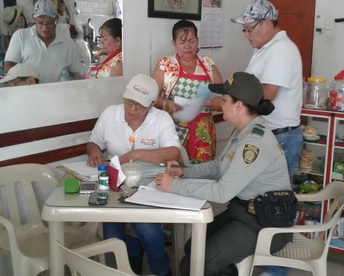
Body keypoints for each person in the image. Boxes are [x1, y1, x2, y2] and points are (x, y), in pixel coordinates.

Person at [155, 72, 292, 276]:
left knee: (193, 265)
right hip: (243, 213)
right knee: (192, 247)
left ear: (238, 106)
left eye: (225, 100)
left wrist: (174, 186)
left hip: (263, 224)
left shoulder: (254, 143)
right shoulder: (242, 131)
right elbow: (219, 167)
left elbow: (222, 192)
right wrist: (185, 171)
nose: (220, 103)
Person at [231, 1, 304, 275]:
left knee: (275, 209)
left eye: (249, 29)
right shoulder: (264, 49)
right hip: (267, 137)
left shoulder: (282, 49)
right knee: (259, 207)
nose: (246, 35)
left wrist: (229, 104)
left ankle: (276, 271)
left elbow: (266, 95)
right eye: (244, 31)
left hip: (281, 139)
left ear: (267, 23)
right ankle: (258, 261)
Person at [86, 74, 179, 276]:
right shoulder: (110, 114)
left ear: (153, 104)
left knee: (146, 227)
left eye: (140, 106)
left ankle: (162, 269)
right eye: (129, 102)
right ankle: (130, 261)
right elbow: (94, 142)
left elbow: (173, 152)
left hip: (150, 181)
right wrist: (94, 151)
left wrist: (136, 154)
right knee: (112, 233)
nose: (132, 110)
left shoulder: (161, 118)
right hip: (116, 181)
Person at [152, 19, 223, 164]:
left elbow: (224, 99)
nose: (187, 46)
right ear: (174, 43)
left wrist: (208, 102)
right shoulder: (166, 64)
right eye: (182, 42)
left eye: (191, 41)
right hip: (173, 128)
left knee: (204, 173)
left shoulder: (208, 64)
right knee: (175, 170)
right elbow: (152, 97)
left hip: (203, 131)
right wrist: (168, 104)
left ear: (197, 41)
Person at [4, 0, 83, 83]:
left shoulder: (67, 43)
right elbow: (9, 65)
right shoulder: (20, 36)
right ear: (33, 19)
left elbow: (76, 73)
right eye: (40, 22)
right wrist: (21, 80)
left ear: (56, 19)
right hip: (28, 92)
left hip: (56, 93)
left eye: (50, 23)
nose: (45, 28)